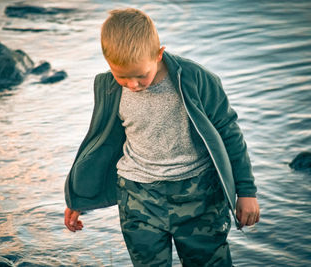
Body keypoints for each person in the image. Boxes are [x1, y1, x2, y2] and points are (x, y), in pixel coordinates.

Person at [64, 8, 260, 266]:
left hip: (198, 197)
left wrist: (246, 191)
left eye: (141, 75)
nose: (133, 85)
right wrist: (79, 197)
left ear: (159, 54)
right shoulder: (110, 89)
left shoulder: (195, 79)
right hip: (138, 197)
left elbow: (229, 132)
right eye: (122, 76)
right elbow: (99, 145)